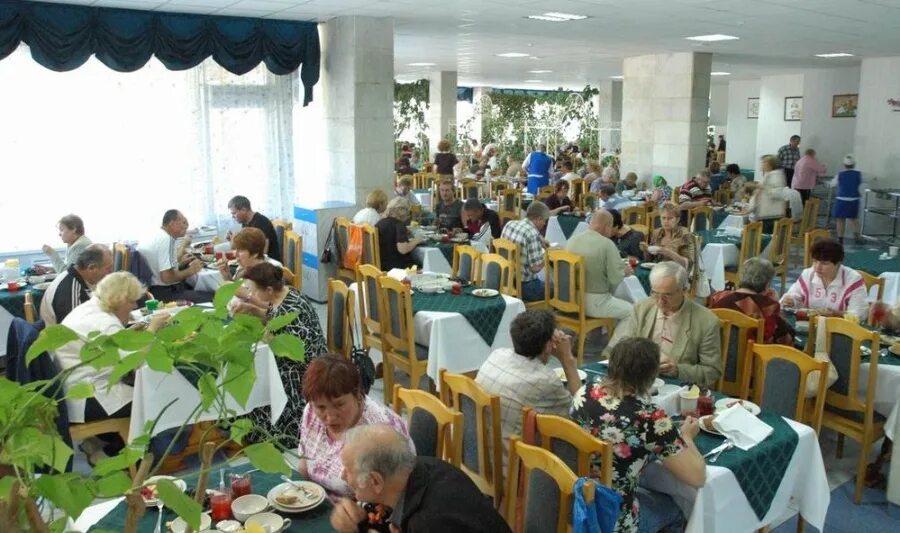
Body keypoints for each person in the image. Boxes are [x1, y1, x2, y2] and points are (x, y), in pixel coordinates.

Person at [572, 337, 706, 533]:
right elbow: (697, 477)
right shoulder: (648, 417)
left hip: (579, 499)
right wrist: (686, 437)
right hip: (615, 517)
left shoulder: (585, 392)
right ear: (651, 377)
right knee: (680, 510)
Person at [330, 425, 512, 533]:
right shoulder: (422, 467)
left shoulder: (428, 523)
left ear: (375, 481)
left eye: (348, 470)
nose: (343, 476)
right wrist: (360, 520)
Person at [54, 272, 169, 425]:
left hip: (75, 388)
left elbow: (107, 344)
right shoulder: (105, 322)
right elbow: (133, 362)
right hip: (91, 397)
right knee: (163, 400)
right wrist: (153, 329)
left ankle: (111, 443)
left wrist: (128, 332)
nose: (135, 306)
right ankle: (161, 445)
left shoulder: (92, 308)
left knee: (146, 388)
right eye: (132, 301)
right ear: (120, 300)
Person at [233, 262, 327, 448]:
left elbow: (277, 341)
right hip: (298, 360)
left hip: (302, 371)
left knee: (254, 378)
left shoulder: (291, 310)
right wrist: (253, 310)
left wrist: (256, 326)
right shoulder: (288, 294)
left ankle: (273, 433)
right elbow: (273, 315)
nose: (251, 295)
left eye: (253, 290)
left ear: (268, 290)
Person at [475, 310, 580, 467]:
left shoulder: (497, 355)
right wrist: (567, 360)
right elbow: (580, 411)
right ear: (548, 345)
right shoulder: (545, 380)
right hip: (512, 471)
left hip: (479, 456)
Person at [298, 355, 413, 496]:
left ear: (358, 394)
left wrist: (360, 510)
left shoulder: (380, 431)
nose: (330, 417)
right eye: (321, 407)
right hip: (317, 501)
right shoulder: (311, 412)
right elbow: (304, 464)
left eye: (339, 404)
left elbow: (395, 496)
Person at [605, 262, 722, 386]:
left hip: (677, 387)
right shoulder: (642, 308)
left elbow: (712, 371)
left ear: (684, 290)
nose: (660, 301)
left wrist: (677, 370)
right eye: (655, 293)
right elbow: (624, 345)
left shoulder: (706, 321)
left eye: (667, 295)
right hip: (639, 382)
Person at [709, 257, 794, 345]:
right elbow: (779, 338)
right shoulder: (768, 306)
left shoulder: (719, 298)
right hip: (752, 356)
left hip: (718, 354)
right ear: (767, 283)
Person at [566, 210, 633, 320]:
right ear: (607, 227)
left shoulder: (571, 240)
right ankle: (615, 338)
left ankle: (600, 332)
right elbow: (615, 279)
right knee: (633, 313)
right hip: (595, 302)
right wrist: (624, 272)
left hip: (571, 298)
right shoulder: (607, 244)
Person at [781, 238, 868, 321]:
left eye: (824, 263)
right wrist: (790, 300)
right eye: (815, 261)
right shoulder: (808, 274)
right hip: (808, 326)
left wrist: (836, 314)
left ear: (838, 263)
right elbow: (793, 295)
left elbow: (859, 314)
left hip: (839, 329)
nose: (817, 268)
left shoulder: (853, 280)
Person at [137, 209, 210, 303]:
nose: (186, 226)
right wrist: (191, 270)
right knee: (213, 296)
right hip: (165, 293)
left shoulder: (153, 235)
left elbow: (158, 267)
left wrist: (178, 264)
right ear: (172, 223)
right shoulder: (166, 239)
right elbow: (167, 278)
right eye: (183, 222)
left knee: (194, 286)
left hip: (150, 290)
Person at [40, 244, 113, 325]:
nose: (110, 273)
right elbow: (73, 331)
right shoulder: (70, 291)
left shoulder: (79, 277)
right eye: (108, 268)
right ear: (91, 268)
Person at [500, 202, 549, 302]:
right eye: (544, 221)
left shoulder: (509, 224)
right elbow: (535, 268)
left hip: (505, 280)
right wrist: (548, 254)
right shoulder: (532, 234)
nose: (544, 224)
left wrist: (539, 238)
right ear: (539, 219)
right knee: (554, 289)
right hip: (525, 287)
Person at [640, 202, 695, 271]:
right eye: (663, 218)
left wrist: (666, 252)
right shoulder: (656, 233)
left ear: (677, 219)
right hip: (658, 271)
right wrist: (646, 250)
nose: (666, 221)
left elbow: (687, 264)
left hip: (677, 273)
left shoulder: (685, 235)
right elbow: (649, 261)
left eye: (670, 218)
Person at [227, 195, 282, 263]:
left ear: (244, 210)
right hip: (252, 259)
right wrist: (233, 240)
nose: (233, 216)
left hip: (268, 264)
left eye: (234, 213)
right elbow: (246, 246)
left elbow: (263, 253)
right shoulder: (245, 222)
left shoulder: (261, 222)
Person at [217, 227, 282, 283]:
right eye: (235, 249)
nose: (235, 254)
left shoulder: (272, 269)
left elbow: (264, 296)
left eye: (240, 250)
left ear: (255, 253)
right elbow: (233, 291)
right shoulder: (243, 266)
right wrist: (226, 275)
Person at [376, 197, 423, 271]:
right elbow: (403, 249)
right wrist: (416, 241)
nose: (408, 214)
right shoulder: (399, 224)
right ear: (402, 211)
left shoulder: (380, 222)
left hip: (382, 265)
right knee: (423, 263)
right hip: (397, 268)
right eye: (407, 210)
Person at [746, 155, 786, 233]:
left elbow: (777, 194)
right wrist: (750, 209)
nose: (762, 164)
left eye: (764, 162)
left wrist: (759, 186)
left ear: (771, 164)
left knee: (766, 241)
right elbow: (758, 196)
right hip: (765, 215)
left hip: (771, 215)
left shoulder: (776, 176)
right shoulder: (768, 175)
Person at [831, 154, 863, 244]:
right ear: (854, 164)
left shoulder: (840, 174)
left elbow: (832, 184)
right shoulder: (859, 174)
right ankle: (857, 238)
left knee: (840, 220)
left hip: (841, 199)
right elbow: (870, 178)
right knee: (854, 219)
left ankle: (840, 239)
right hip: (854, 199)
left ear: (844, 164)